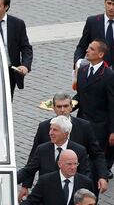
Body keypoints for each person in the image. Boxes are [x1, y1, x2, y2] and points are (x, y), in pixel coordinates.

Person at [29, 93, 108, 193]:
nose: (62, 110)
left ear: (71, 107)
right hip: (49, 185)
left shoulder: (84, 126)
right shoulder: (44, 127)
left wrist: (102, 176)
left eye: (66, 106)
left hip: (76, 184)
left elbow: (97, 154)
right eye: (59, 106)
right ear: (53, 108)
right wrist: (26, 185)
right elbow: (33, 158)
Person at [18, 116, 91, 196]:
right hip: (46, 196)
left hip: (68, 196)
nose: (50, 133)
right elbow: (28, 170)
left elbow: (85, 177)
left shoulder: (79, 151)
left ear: (66, 134)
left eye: (55, 130)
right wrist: (10, 179)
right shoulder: (42, 149)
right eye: (50, 129)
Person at [74, 39, 114, 169]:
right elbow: (80, 95)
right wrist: (67, 105)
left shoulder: (109, 75)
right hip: (81, 122)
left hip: (99, 126)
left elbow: (112, 104)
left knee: (95, 160)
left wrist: (112, 131)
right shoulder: (82, 70)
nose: (87, 51)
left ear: (101, 54)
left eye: (91, 49)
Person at [74, 0, 114, 68]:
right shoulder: (92, 22)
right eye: (109, 3)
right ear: (104, 3)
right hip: (96, 72)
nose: (111, 7)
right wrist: (78, 63)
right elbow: (82, 47)